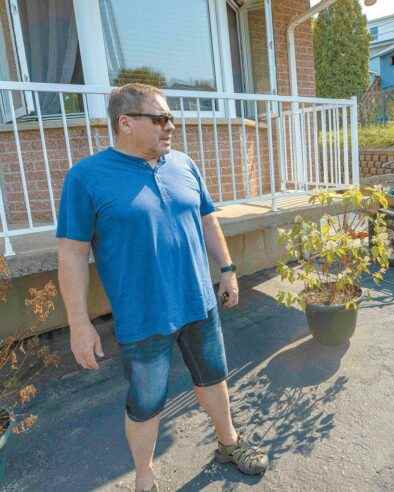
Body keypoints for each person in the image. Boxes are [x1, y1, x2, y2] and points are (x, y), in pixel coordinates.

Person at [57, 84, 268, 492]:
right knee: (147, 402)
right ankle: (145, 478)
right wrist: (78, 323)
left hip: (199, 303)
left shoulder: (184, 164)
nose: (171, 126)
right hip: (143, 316)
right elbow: (71, 254)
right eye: (160, 119)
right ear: (126, 123)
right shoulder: (87, 177)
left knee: (214, 379)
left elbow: (207, 220)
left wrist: (227, 268)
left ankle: (229, 444)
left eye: (170, 118)